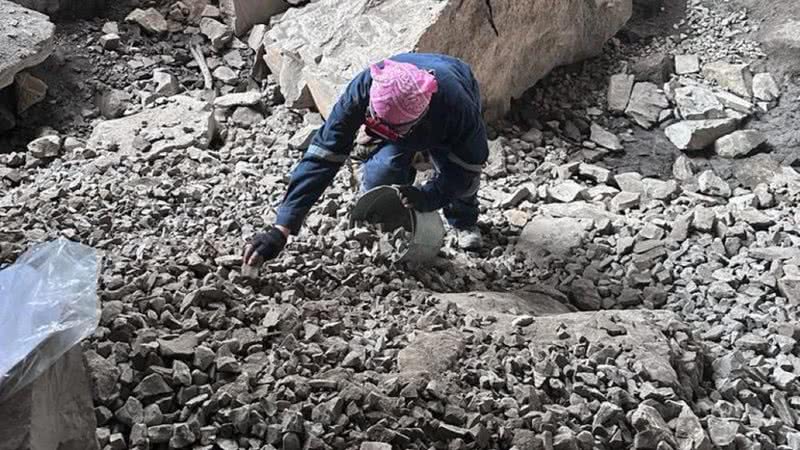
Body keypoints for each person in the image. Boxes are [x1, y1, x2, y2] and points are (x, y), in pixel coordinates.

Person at [243, 53, 490, 266]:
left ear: (418, 120)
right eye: (377, 124)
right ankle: (393, 224)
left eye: (393, 131)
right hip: (402, 114)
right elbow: (323, 155)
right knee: (381, 172)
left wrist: (429, 196)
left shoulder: (458, 109)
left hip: (451, 90)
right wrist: (282, 227)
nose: (386, 133)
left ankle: (463, 220)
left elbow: (467, 167)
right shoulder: (364, 88)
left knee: (460, 180)